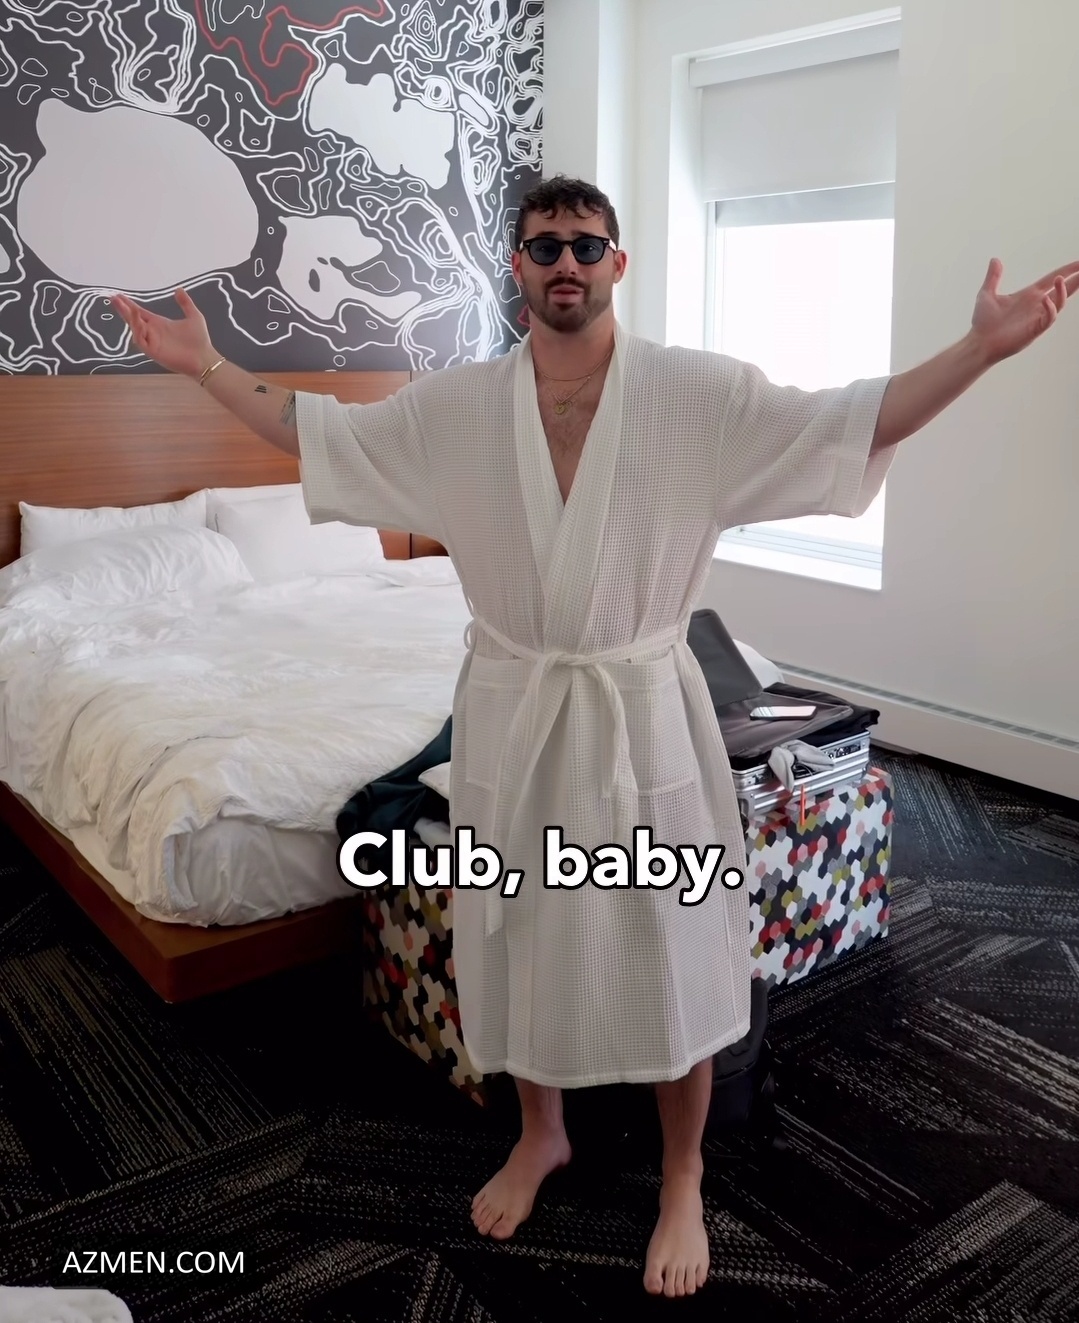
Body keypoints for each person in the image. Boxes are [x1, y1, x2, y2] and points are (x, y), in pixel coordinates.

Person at [110, 176, 1076, 1298]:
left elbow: (849, 419)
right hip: (514, 714)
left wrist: (978, 352)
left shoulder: (694, 396)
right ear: (515, 268)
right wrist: (207, 365)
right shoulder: (456, 409)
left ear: (617, 262)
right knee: (521, 929)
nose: (563, 260)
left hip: (642, 711)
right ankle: (543, 1133)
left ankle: (682, 1173)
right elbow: (319, 432)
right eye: (542, 245)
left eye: (584, 243)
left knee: (672, 939)